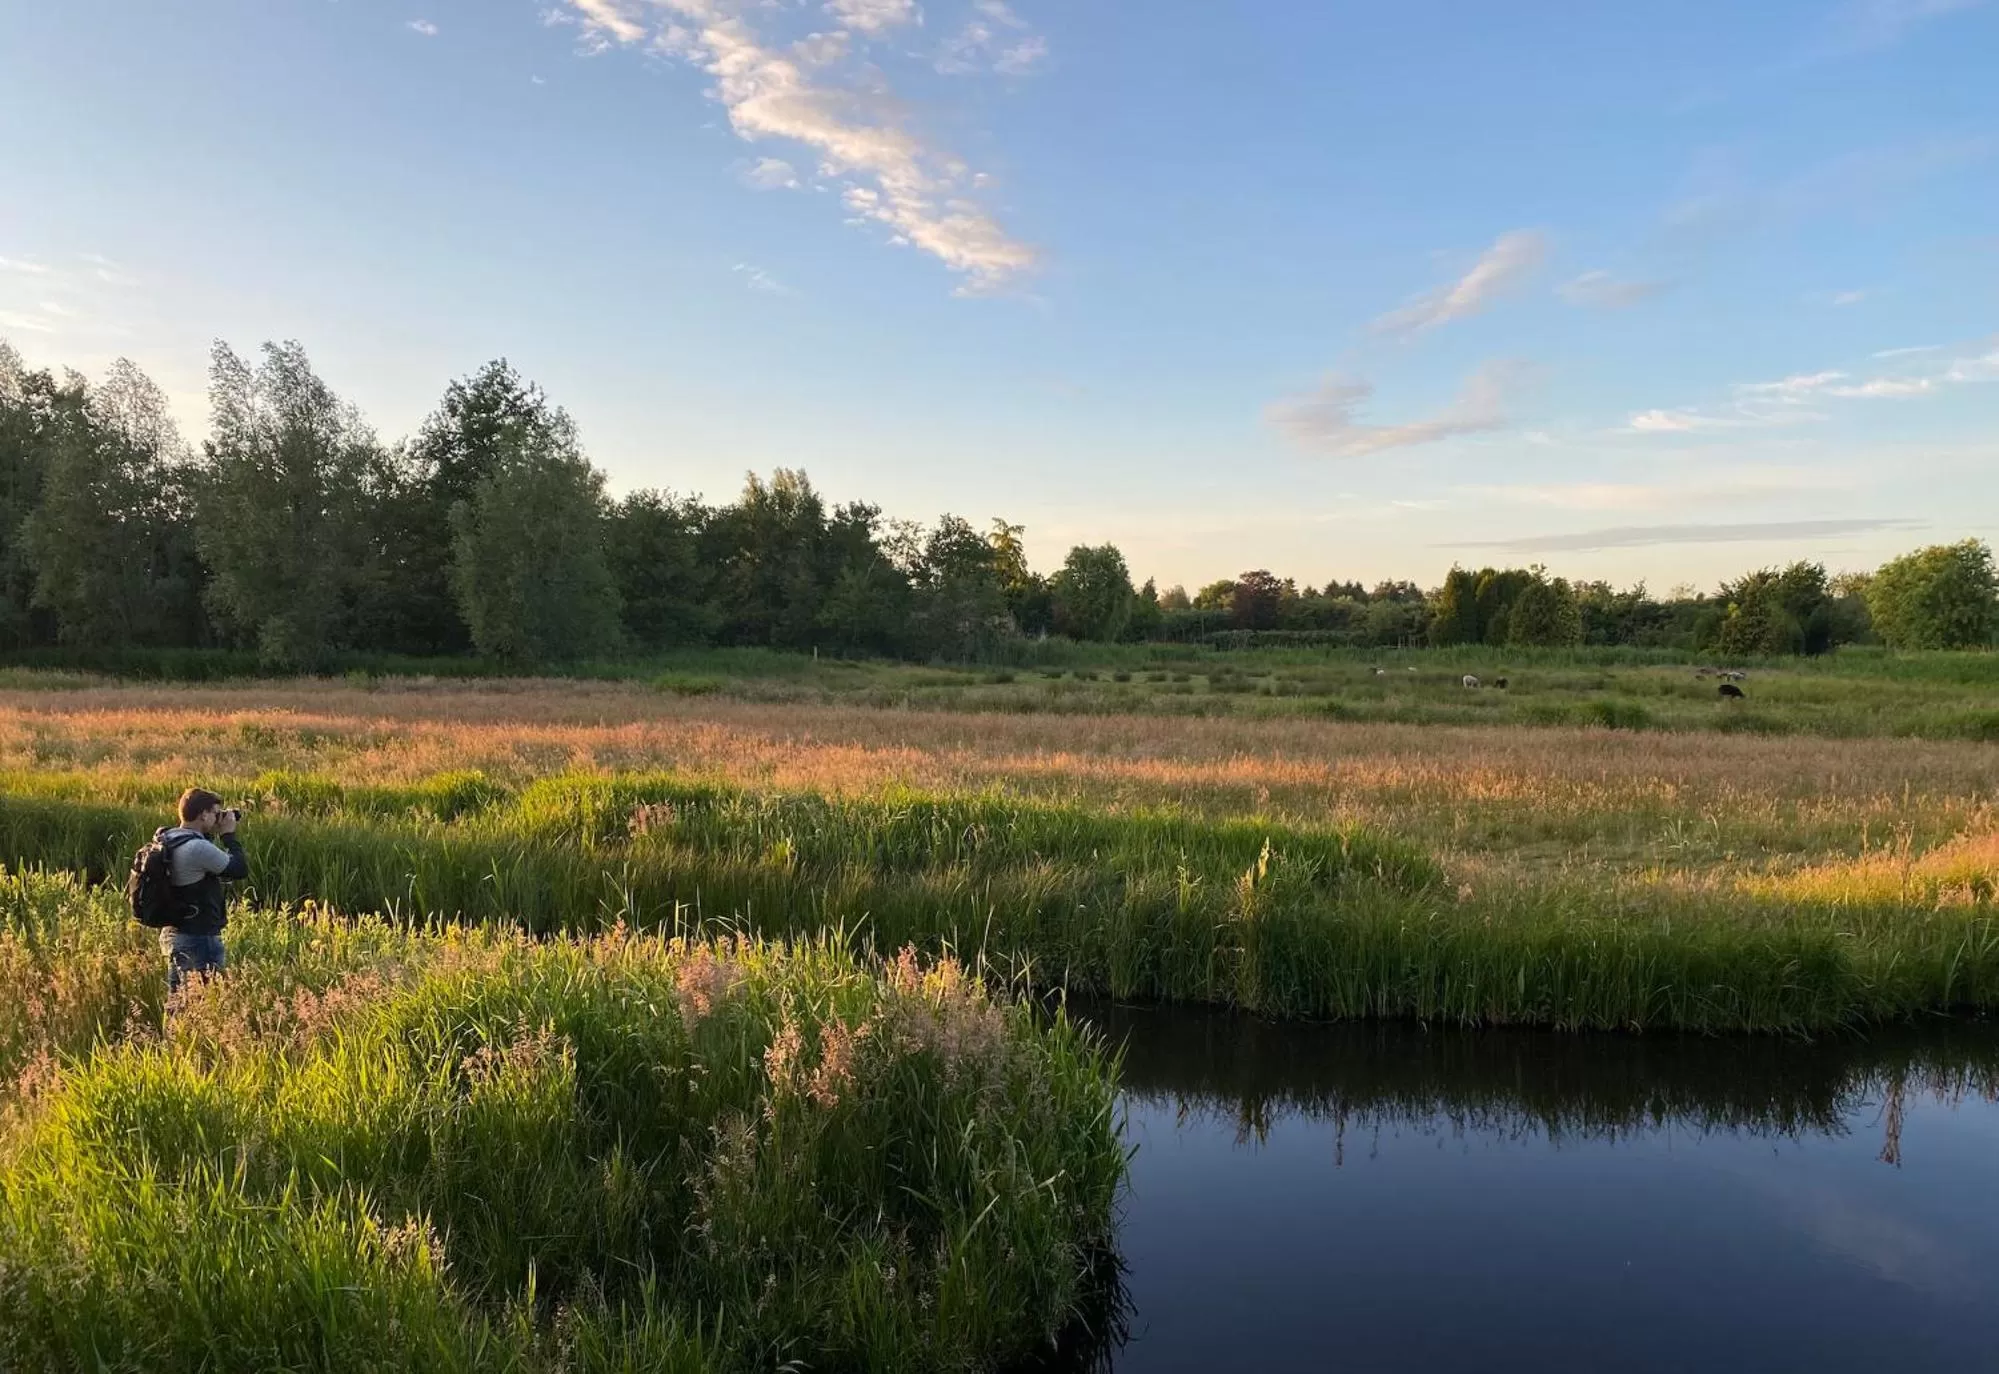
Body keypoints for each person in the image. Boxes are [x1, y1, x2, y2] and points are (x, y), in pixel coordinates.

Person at [157, 787, 249, 995]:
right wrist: (229, 836)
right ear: (203, 815)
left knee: (179, 1002)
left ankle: (171, 1029)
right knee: (204, 1003)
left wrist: (212, 829)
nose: (219, 818)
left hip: (175, 932)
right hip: (198, 937)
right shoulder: (197, 849)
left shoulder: (169, 838)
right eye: (216, 813)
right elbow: (239, 869)